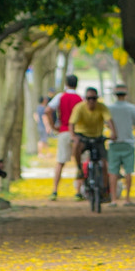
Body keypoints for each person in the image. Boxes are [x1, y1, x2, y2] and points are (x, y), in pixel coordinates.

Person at [45, 72, 84, 200]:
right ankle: (78, 191)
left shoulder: (60, 96)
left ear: (66, 84)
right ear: (76, 84)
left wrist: (53, 126)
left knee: (60, 162)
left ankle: (55, 190)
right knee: (80, 162)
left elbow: (48, 110)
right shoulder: (81, 98)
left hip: (64, 130)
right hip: (78, 132)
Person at [69, 85, 112, 199]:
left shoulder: (102, 108)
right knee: (76, 146)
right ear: (85, 99)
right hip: (83, 136)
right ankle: (79, 169)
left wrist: (113, 133)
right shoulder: (79, 108)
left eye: (94, 98)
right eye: (89, 98)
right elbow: (72, 123)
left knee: (105, 163)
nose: (92, 101)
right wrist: (73, 136)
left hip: (97, 137)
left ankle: (105, 189)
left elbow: (109, 121)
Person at [106, 83, 135, 206]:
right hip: (128, 142)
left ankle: (114, 199)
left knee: (113, 172)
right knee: (128, 171)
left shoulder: (109, 108)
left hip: (114, 143)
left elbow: (106, 123)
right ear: (126, 94)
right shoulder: (132, 108)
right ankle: (127, 198)